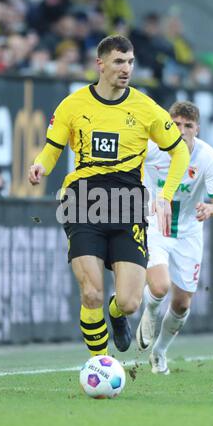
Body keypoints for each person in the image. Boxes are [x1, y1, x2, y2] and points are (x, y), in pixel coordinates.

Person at [28, 35, 190, 357]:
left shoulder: (146, 109)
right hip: (83, 202)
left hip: (128, 204)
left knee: (130, 301)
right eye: (119, 61)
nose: (126, 68)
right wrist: (39, 166)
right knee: (91, 294)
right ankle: (99, 364)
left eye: (130, 62)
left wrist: (165, 196)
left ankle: (117, 315)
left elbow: (180, 152)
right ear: (99, 64)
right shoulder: (72, 106)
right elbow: (52, 150)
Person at [136, 101, 213, 374]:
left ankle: (160, 352)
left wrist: (210, 208)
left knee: (182, 302)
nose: (182, 130)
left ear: (197, 129)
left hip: (188, 232)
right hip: (155, 224)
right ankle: (150, 312)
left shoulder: (208, 157)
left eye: (188, 125)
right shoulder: (152, 149)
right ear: (168, 125)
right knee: (160, 286)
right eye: (176, 124)